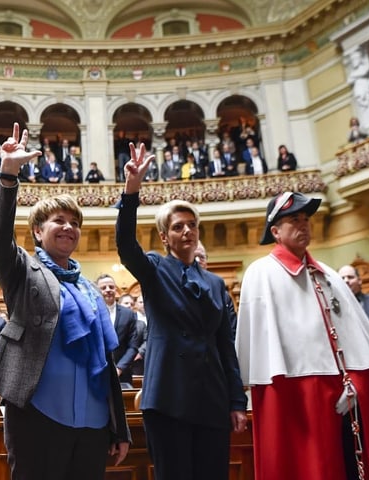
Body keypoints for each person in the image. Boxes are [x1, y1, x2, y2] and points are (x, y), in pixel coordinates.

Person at [0, 123, 130, 480]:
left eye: (74, 222)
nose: (68, 227)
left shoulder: (90, 289)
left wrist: (118, 427)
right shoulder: (24, 270)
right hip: (38, 415)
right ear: (37, 231)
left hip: (93, 421)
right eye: (57, 221)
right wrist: (8, 175)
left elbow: (106, 362)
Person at [236, 191, 369, 480]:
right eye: (294, 219)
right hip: (297, 398)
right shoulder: (261, 273)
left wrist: (356, 382)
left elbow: (357, 343)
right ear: (275, 231)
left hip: (348, 395)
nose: (303, 224)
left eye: (306, 219)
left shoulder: (331, 275)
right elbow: (262, 355)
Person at [115, 142, 247, 479]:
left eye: (191, 225)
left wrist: (236, 402)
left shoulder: (216, 284)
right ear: (164, 236)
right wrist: (132, 190)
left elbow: (224, 347)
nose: (186, 230)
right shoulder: (155, 269)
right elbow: (127, 246)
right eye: (177, 226)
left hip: (212, 397)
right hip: (168, 396)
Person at [97, 274, 140, 388]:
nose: (108, 290)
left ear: (115, 289)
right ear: (97, 290)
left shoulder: (128, 314)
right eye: (103, 288)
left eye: (111, 287)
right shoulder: (92, 312)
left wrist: (119, 368)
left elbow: (133, 345)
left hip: (123, 373)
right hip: (97, 372)